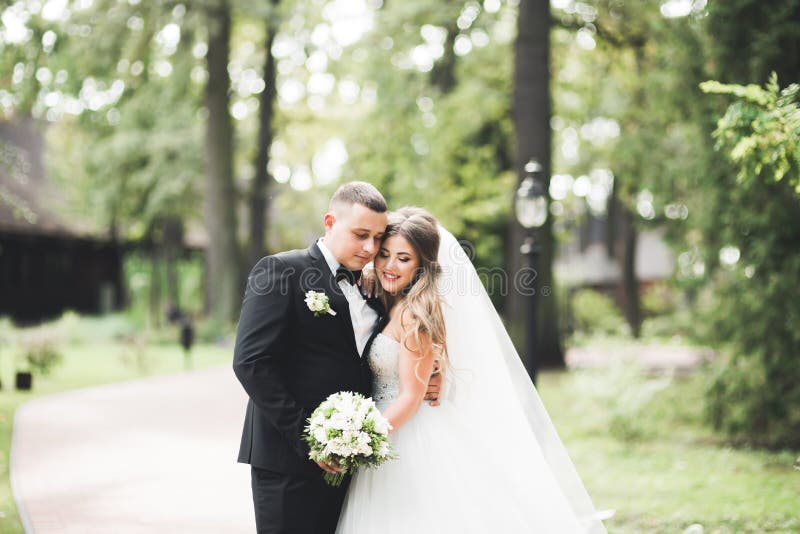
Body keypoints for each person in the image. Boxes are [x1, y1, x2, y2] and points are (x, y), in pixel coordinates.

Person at [336, 207, 607, 534]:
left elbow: (410, 394)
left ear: (422, 266)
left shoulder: (413, 316)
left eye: (404, 258)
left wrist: (367, 436)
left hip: (403, 433)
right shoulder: (386, 300)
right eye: (385, 255)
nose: (390, 266)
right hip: (387, 425)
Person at [232, 183, 441, 534]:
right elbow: (251, 363)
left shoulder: (374, 289)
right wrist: (310, 439)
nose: (370, 248)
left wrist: (428, 380)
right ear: (330, 221)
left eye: (377, 238)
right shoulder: (281, 271)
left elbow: (386, 354)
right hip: (289, 460)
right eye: (361, 235)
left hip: (350, 463)